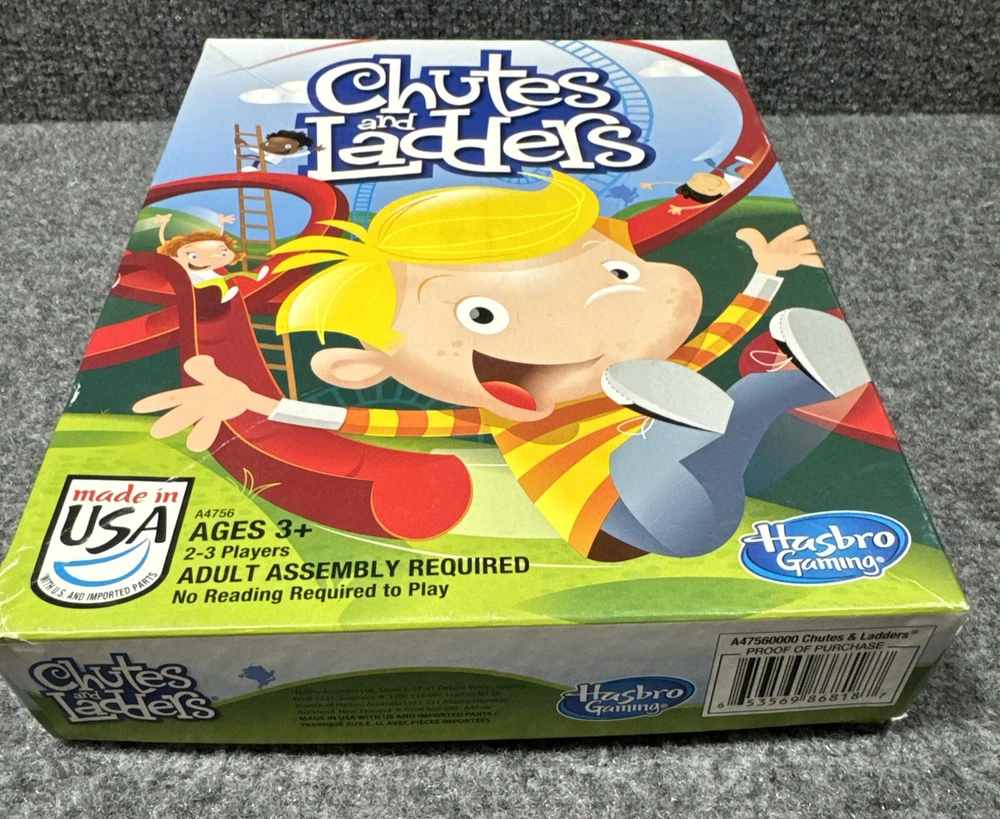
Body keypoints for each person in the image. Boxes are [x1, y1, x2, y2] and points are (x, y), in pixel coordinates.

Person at [135, 172, 869, 561]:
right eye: (480, 315)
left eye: (616, 273)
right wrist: (255, 404)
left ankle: (778, 386)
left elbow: (709, 343)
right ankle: (674, 435)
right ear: (364, 362)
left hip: (695, 476)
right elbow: (375, 420)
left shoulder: (646, 371)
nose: (580, 319)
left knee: (743, 414)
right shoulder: (493, 409)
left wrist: (766, 275)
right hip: (617, 517)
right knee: (692, 514)